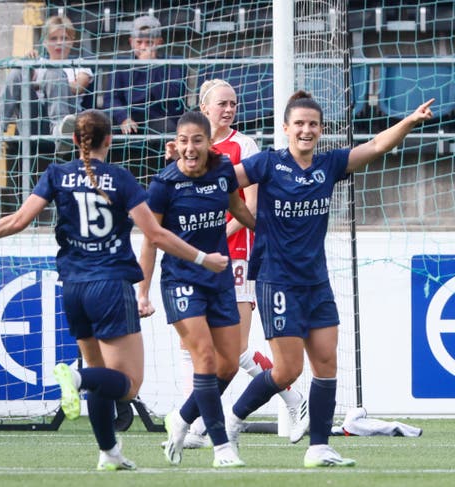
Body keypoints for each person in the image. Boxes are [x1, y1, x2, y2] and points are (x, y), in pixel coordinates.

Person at [0, 109, 229, 471]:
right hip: (111, 287)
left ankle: (109, 453)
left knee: (102, 375)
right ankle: (74, 377)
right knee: (128, 385)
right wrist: (203, 258)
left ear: (74, 141)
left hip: (73, 288)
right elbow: (156, 235)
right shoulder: (121, 178)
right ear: (109, 141)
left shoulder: (56, 174)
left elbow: (20, 219)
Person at [226, 91, 434, 467]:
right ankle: (233, 421)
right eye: (299, 124)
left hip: (316, 282)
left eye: (313, 124)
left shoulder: (330, 164)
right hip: (277, 279)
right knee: (288, 369)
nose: (306, 130)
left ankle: (319, 447)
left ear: (321, 130)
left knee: (326, 364)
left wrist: (408, 121)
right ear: (286, 128)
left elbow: (374, 147)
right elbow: (225, 182)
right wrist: (248, 219)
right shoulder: (268, 164)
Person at [180, 79, 309, 449]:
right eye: (222, 103)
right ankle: (205, 423)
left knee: (231, 350)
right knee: (196, 347)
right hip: (196, 260)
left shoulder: (244, 146)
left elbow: (251, 207)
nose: (229, 109)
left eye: (233, 103)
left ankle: (211, 423)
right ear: (204, 109)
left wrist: (214, 237)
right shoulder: (190, 148)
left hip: (236, 256)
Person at [137, 111, 256, 468]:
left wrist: (269, 232)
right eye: (184, 140)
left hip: (219, 280)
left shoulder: (222, 172)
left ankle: (180, 417)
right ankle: (222, 447)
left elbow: (238, 208)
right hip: (181, 282)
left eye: (197, 140)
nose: (190, 148)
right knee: (203, 359)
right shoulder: (163, 184)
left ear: (209, 143)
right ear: (176, 143)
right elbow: (150, 241)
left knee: (229, 366)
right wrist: (142, 293)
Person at [0, 15, 94, 156]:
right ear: (45, 42)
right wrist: (28, 66)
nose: (59, 43)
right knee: (18, 71)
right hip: (34, 121)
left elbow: (78, 87)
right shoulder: (37, 63)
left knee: (54, 74)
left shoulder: (79, 65)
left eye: (64, 38)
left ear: (72, 41)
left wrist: (49, 81)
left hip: (68, 122)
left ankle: (60, 131)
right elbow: (19, 84)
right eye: (53, 39)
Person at [105, 14, 186, 184]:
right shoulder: (120, 64)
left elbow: (171, 96)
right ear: (131, 42)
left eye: (149, 43)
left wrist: (151, 66)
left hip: (158, 115)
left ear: (159, 42)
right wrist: (123, 117)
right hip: (129, 117)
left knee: (169, 132)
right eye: (139, 42)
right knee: (102, 129)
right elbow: (111, 98)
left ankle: (168, 181)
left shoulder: (171, 64)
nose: (143, 47)